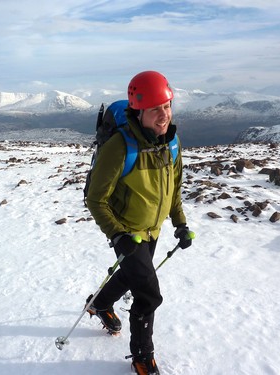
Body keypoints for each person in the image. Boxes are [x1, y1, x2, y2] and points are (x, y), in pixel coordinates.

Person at [85, 70, 193, 375]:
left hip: (153, 229)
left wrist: (180, 224)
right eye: (155, 109)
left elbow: (174, 189)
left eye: (167, 106)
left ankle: (99, 304)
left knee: (133, 275)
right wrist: (117, 234)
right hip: (127, 231)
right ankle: (142, 356)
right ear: (138, 110)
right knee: (148, 294)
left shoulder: (171, 143)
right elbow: (96, 199)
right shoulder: (119, 147)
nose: (163, 116)